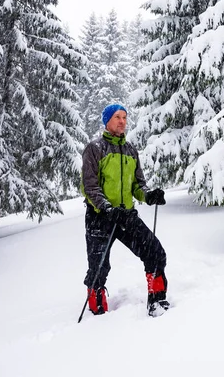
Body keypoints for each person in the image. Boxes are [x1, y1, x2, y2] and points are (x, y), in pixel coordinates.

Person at [80, 103, 168, 317]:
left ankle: (156, 301)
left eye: (125, 117)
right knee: (99, 267)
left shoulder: (130, 150)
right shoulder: (95, 148)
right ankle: (97, 308)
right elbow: (89, 187)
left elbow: (138, 185)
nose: (122, 121)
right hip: (100, 217)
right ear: (107, 121)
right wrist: (107, 208)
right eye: (117, 117)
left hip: (126, 215)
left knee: (155, 252)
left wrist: (148, 195)